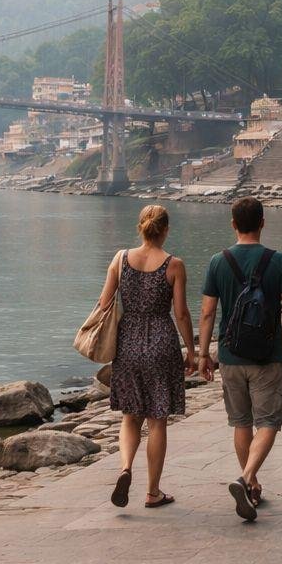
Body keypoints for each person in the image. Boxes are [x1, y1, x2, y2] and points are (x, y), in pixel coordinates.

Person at [197, 196, 282, 522]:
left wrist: (203, 354)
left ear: (233, 224)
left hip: (230, 356)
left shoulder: (218, 262)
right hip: (267, 356)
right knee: (268, 422)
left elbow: (207, 313)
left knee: (241, 422)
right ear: (262, 223)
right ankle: (247, 479)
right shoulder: (279, 261)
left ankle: (251, 483)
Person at [98, 204, 197, 510]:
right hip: (161, 342)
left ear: (140, 227)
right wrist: (192, 351)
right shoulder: (174, 265)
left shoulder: (120, 258)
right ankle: (153, 492)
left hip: (127, 341)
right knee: (157, 420)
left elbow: (104, 302)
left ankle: (125, 467)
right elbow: (181, 313)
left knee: (130, 416)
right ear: (165, 230)